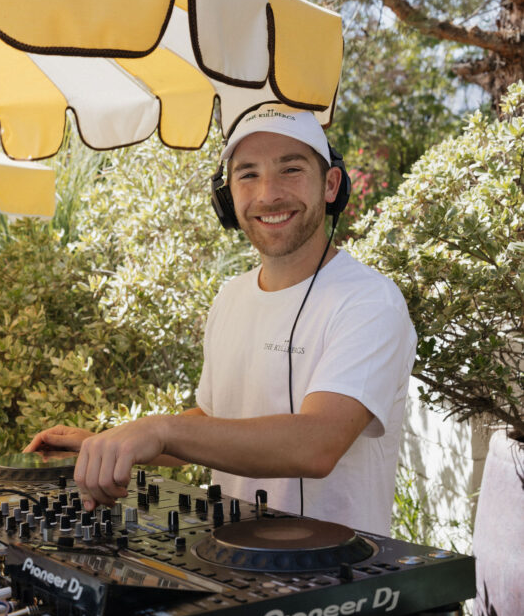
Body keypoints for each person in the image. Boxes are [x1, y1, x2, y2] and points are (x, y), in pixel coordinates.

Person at [26, 106, 416, 535]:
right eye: (248, 174)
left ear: (331, 185)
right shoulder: (231, 297)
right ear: (227, 195)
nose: (268, 194)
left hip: (331, 582)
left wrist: (160, 429)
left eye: (290, 169)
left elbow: (318, 443)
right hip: (232, 563)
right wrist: (114, 440)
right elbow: (212, 424)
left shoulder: (369, 301)